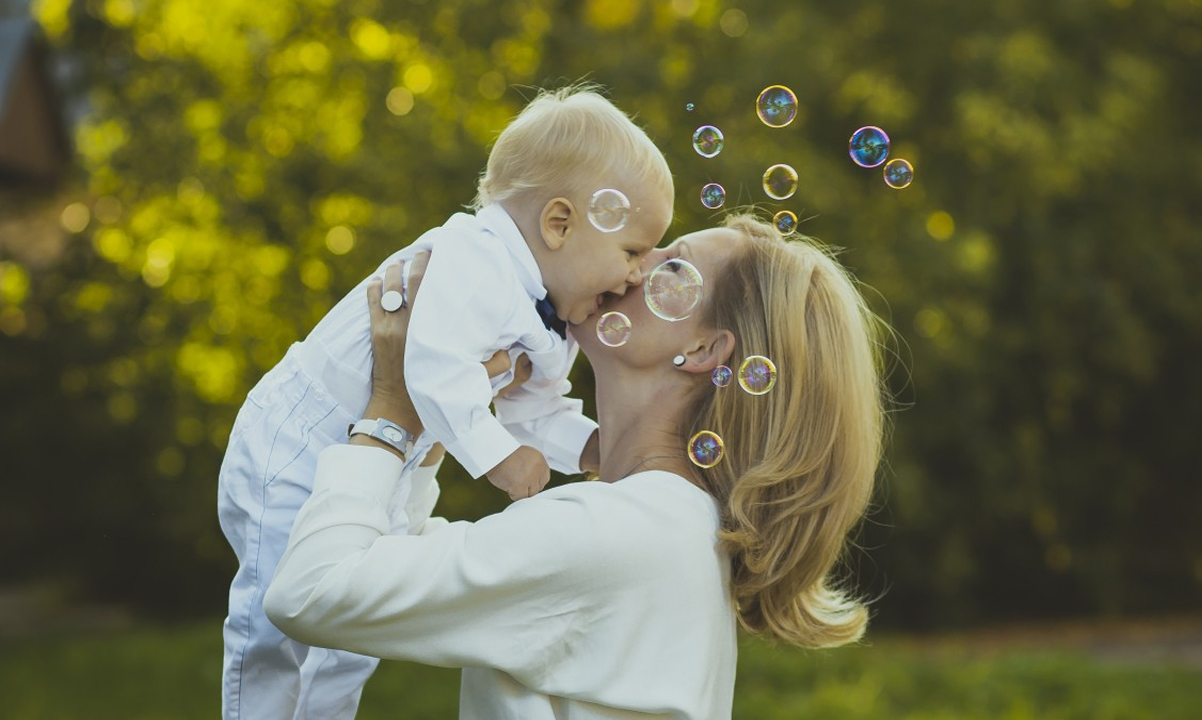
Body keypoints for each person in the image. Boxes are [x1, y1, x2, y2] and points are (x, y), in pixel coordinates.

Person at [263, 213, 889, 719]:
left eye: (671, 265)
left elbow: (314, 590)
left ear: (703, 349)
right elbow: (386, 556)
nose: (633, 264)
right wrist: (433, 411)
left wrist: (391, 413)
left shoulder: (618, 535)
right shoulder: (663, 526)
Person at [217, 86, 674, 720]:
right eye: (631, 251)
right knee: (275, 616)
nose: (637, 275)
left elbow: (534, 411)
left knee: (352, 627)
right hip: (300, 437)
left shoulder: (554, 322)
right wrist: (500, 460)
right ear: (560, 223)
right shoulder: (475, 257)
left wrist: (597, 449)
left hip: (392, 458)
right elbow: (431, 369)